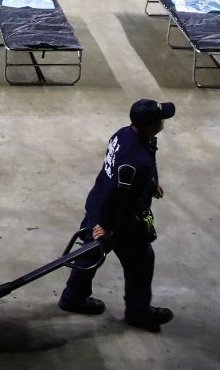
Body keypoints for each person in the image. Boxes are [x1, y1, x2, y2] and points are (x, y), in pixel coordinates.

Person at [59, 99, 176, 333]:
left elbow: (129, 175)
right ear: (151, 125)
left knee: (90, 252)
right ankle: (138, 312)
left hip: (98, 202)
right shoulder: (135, 159)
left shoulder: (125, 134)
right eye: (161, 118)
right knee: (141, 261)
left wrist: (151, 183)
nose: (164, 121)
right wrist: (106, 226)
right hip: (119, 218)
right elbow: (118, 194)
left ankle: (73, 296)